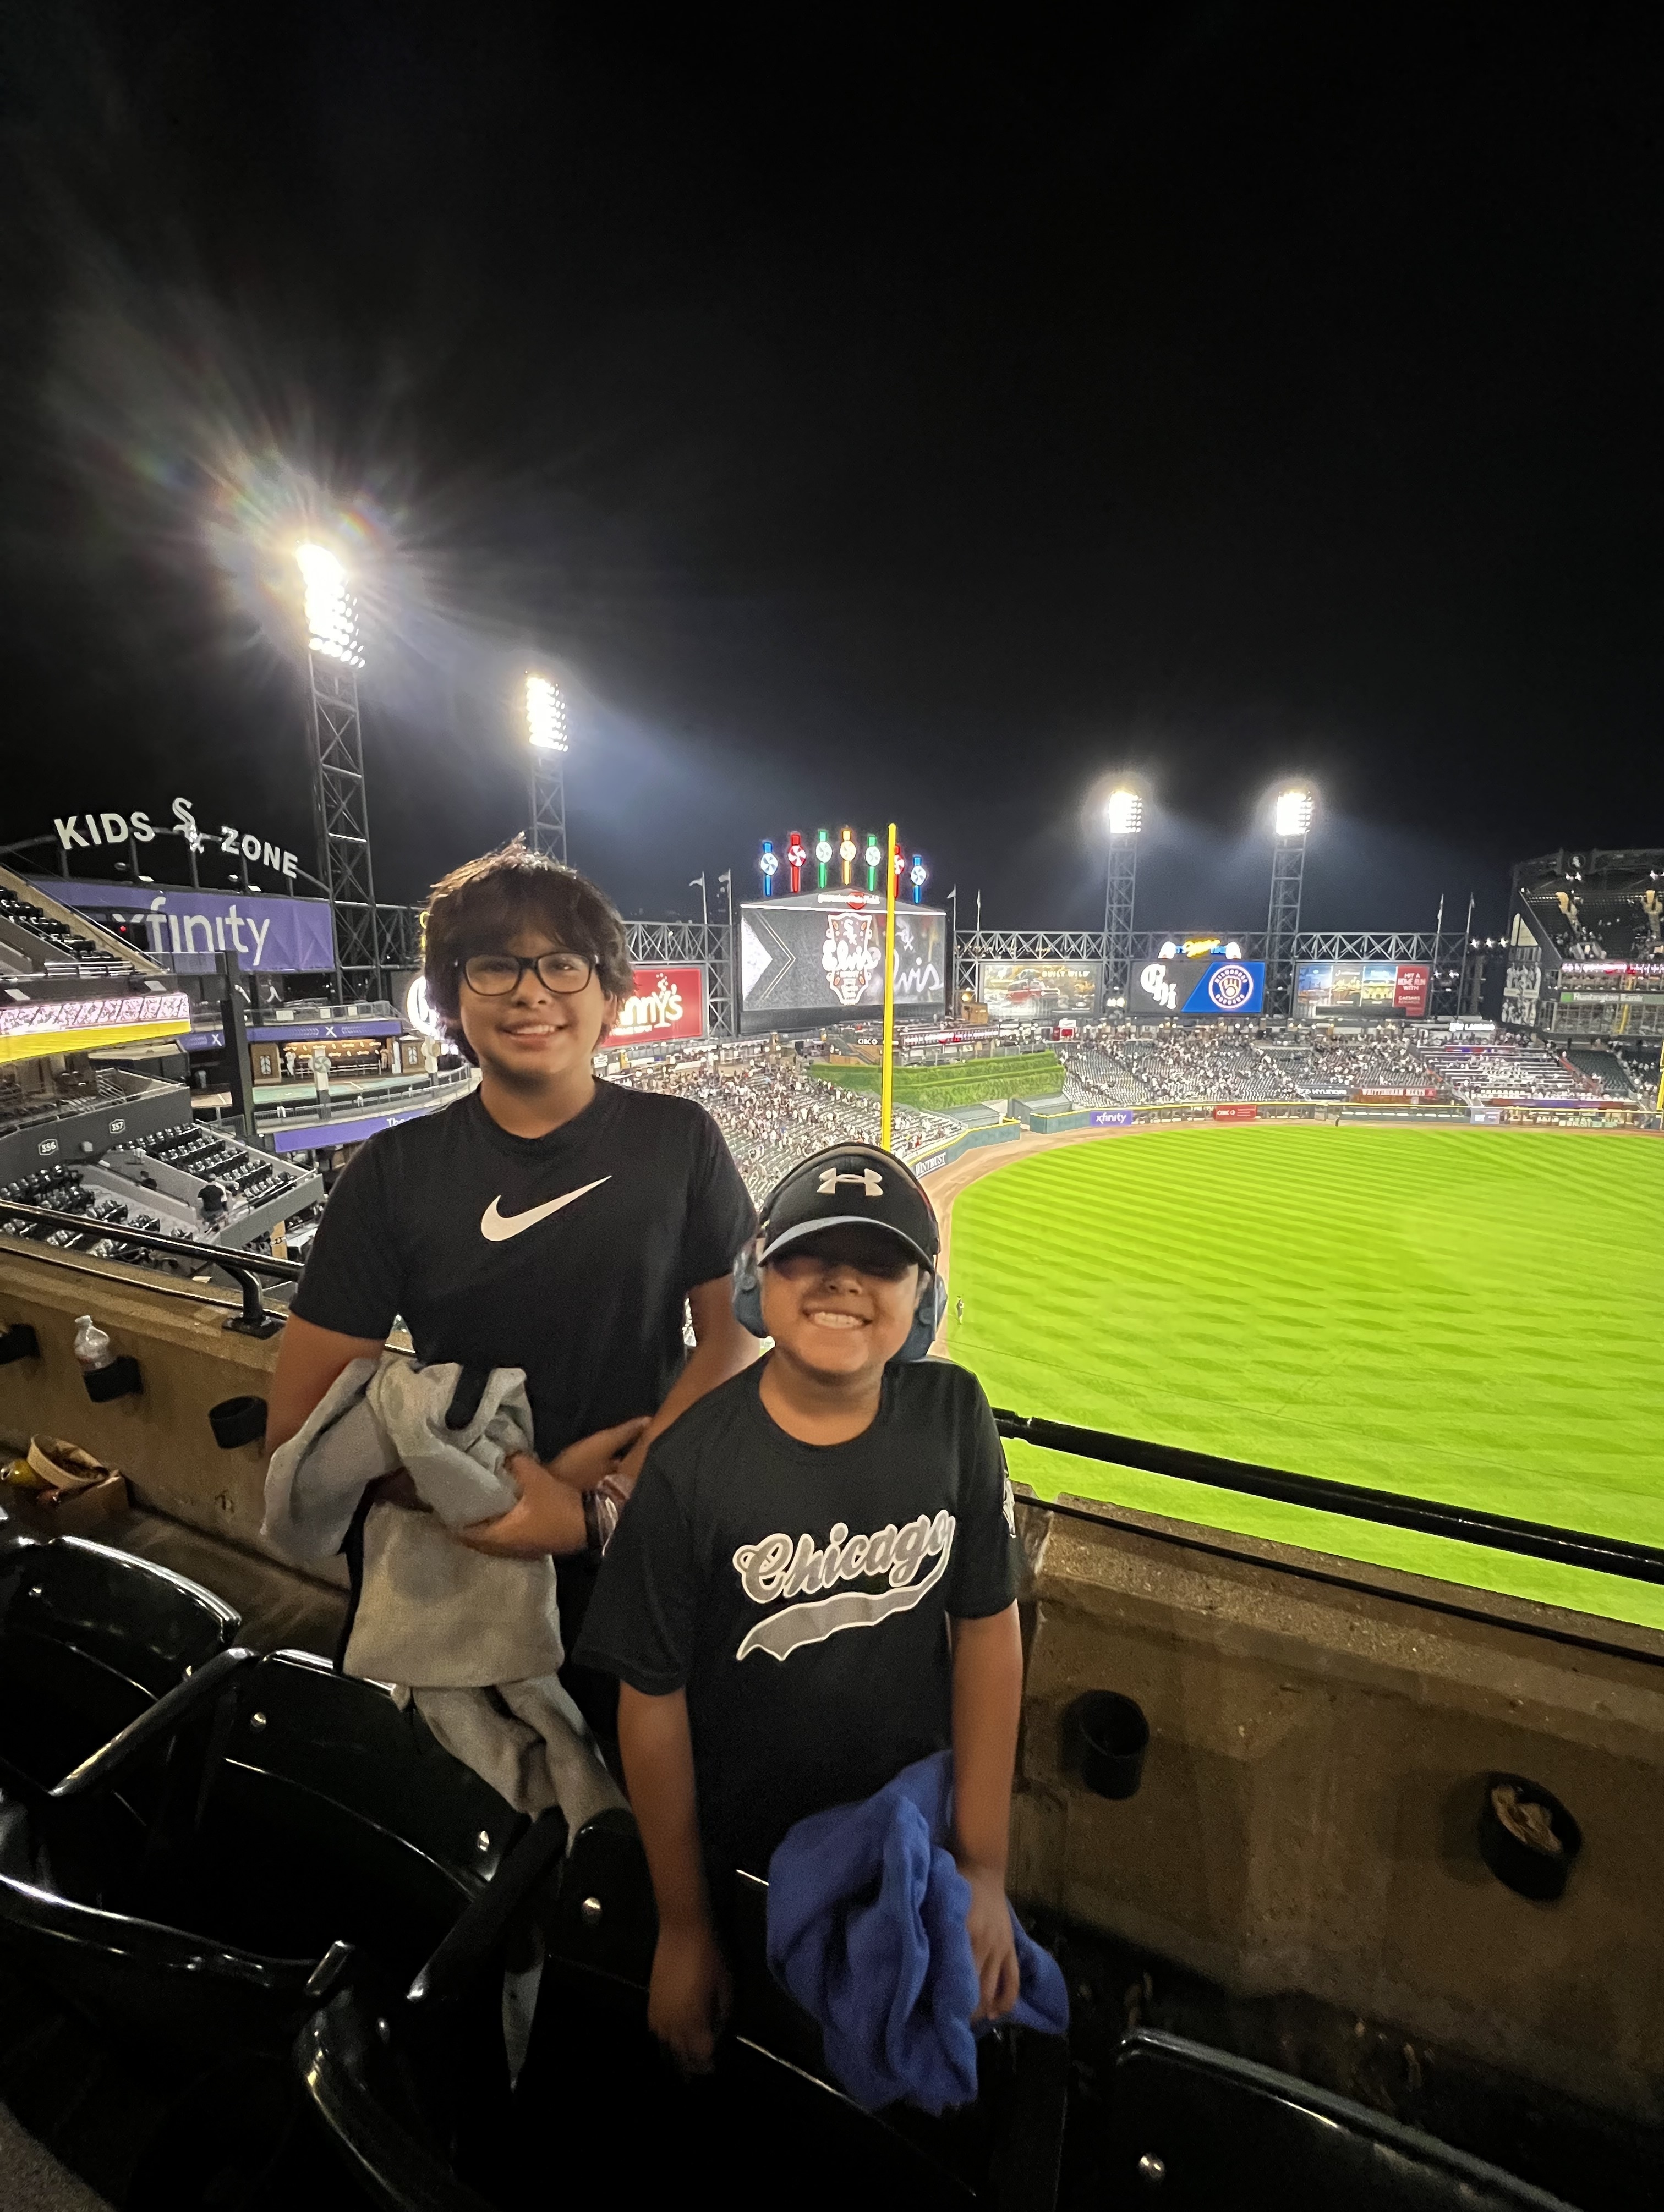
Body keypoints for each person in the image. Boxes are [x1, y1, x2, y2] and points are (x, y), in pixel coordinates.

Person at [575, 1144, 1023, 2074]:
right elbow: (649, 1704)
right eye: (810, 1253)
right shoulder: (691, 1463)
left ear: (923, 1297)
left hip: (914, 1834)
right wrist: (684, 1924)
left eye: (881, 1260)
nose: (842, 1282)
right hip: (743, 1853)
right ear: (757, 1275)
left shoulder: (956, 1416)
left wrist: (983, 1866)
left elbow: (987, 1630)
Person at [266, 840, 760, 1670]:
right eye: (496, 965)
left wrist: (602, 1502)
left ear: (610, 999)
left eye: (564, 964)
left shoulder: (681, 1139)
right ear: (452, 1001)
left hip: (647, 1540)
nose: (533, 988)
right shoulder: (391, 1171)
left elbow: (737, 1339)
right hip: (461, 1570)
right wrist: (495, 1486)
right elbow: (300, 1430)